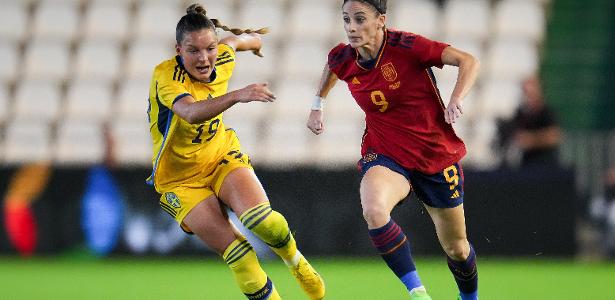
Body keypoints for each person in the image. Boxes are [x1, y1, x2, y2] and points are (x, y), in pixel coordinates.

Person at [147, 4, 325, 299]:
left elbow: (235, 42)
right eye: (193, 51)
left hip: (220, 157)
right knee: (240, 256)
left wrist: (254, 42)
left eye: (209, 48)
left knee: (260, 220)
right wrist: (237, 96)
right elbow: (189, 113)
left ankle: (295, 261)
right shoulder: (166, 75)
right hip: (179, 181)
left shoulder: (222, 57)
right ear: (178, 49)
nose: (204, 59)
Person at [306, 1, 480, 299]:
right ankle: (418, 293)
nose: (351, 27)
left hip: (434, 155)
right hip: (386, 153)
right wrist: (317, 105)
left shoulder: (408, 47)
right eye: (346, 19)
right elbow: (332, 67)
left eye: (360, 19)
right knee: (374, 210)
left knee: (457, 248)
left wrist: (456, 98)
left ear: (381, 21)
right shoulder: (343, 56)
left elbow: (468, 60)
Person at [510, 75, 562, 167]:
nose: (527, 96)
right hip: (526, 164)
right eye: (525, 92)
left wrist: (531, 140)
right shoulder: (520, 113)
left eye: (530, 92)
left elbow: (554, 136)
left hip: (545, 164)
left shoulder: (547, 112)